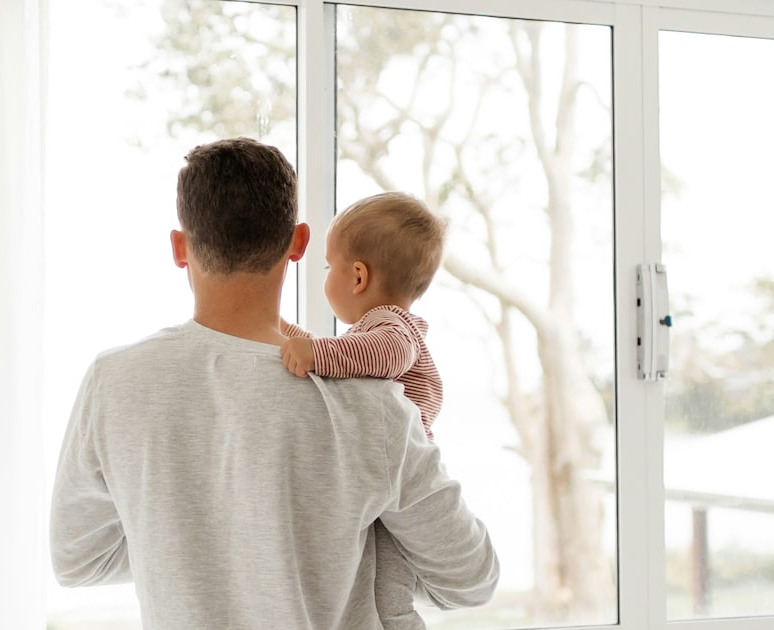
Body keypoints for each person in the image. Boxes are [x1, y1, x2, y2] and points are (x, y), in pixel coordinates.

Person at [48, 137, 499, 629]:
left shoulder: (113, 384)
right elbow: (471, 578)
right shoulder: (374, 403)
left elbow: (78, 560)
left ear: (180, 248)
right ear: (300, 242)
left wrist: (190, 550)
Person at [279, 191, 447, 629]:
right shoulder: (369, 335)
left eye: (327, 267)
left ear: (357, 277)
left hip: (400, 482)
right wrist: (277, 330)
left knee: (390, 594)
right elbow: (346, 354)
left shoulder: (393, 328)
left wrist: (314, 352)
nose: (325, 277)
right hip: (380, 476)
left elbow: (379, 355)